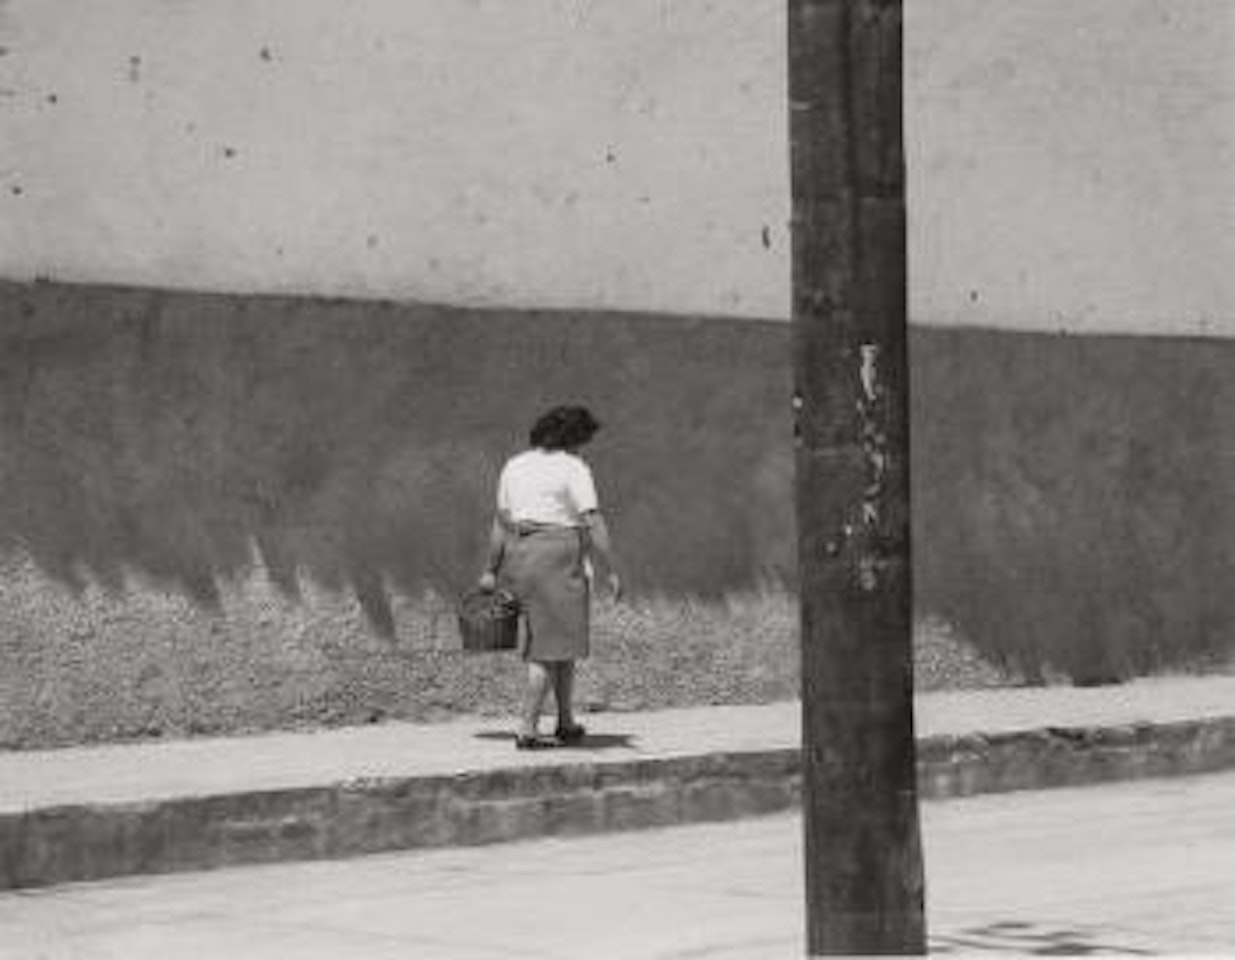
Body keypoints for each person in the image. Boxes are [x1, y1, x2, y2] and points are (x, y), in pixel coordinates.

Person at [479, 405, 622, 750]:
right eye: (583, 439)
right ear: (574, 438)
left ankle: (566, 722)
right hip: (558, 557)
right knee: (546, 648)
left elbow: (500, 522)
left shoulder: (514, 465)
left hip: (522, 554)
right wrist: (613, 568)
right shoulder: (573, 467)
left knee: (562, 642)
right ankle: (527, 729)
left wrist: (490, 569)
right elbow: (593, 519)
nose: (583, 447)